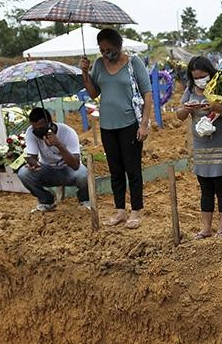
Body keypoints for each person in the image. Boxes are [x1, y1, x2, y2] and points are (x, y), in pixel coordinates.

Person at [80, 28, 153, 229]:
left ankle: (136, 210)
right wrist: (85, 73)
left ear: (119, 46)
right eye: (102, 50)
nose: (106, 54)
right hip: (107, 125)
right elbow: (94, 93)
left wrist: (144, 124)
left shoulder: (133, 63)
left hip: (129, 124)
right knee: (115, 170)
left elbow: (147, 94)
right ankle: (120, 210)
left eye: (109, 49)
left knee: (133, 169)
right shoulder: (98, 65)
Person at [176, 56, 222, 238]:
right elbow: (179, 115)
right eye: (196, 77)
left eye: (203, 76)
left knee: (221, 187)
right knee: (205, 188)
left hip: (221, 144)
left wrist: (218, 107)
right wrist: (187, 109)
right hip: (200, 146)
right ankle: (206, 228)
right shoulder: (190, 90)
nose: (201, 80)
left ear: (210, 73)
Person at [16, 107, 90, 212]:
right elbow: (32, 156)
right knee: (24, 173)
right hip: (47, 169)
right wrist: (33, 164)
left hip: (68, 169)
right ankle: (46, 201)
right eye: (34, 127)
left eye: (40, 128)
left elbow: (75, 165)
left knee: (83, 175)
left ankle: (85, 200)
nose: (37, 131)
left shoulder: (67, 132)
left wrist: (59, 145)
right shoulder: (31, 132)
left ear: (49, 124)